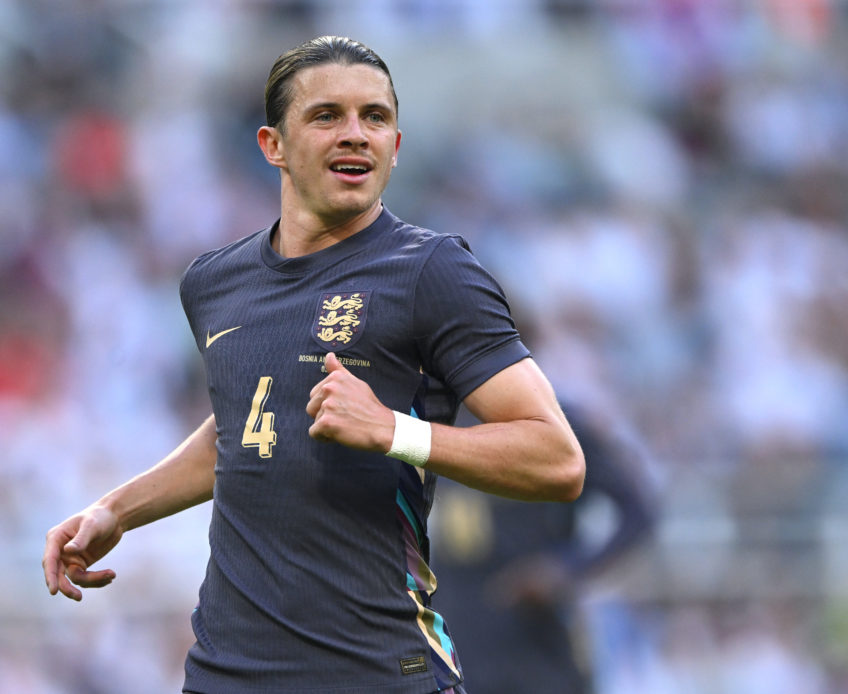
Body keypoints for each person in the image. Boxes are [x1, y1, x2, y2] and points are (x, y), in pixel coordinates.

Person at [42, 35, 585, 694]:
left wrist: (393, 431)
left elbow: (557, 459)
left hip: (378, 672)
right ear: (272, 145)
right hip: (226, 674)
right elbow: (245, 424)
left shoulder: (432, 272)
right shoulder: (215, 282)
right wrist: (116, 511)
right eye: (327, 116)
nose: (355, 134)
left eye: (374, 117)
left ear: (396, 145)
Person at [431, 401, 655, 693]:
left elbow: (637, 511)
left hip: (539, 641)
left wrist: (565, 569)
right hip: (462, 642)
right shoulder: (432, 420)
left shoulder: (554, 422)